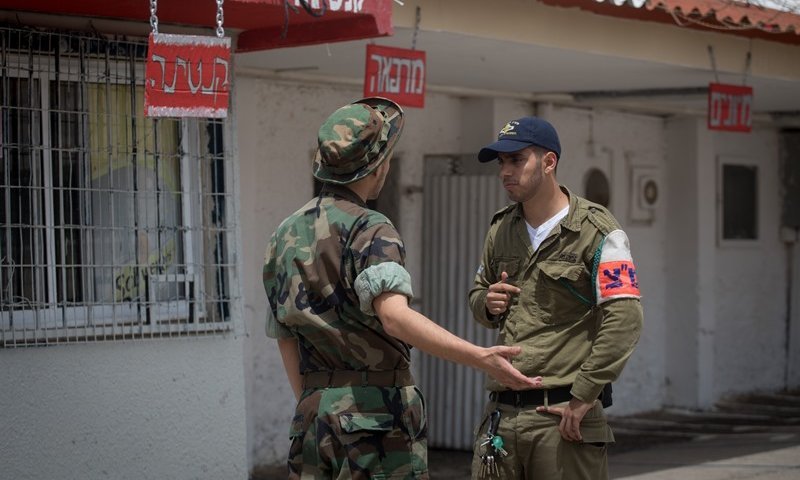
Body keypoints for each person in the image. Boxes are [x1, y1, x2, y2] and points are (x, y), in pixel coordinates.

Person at [263, 97, 542, 480]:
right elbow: (394, 318)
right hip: (374, 419)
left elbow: (285, 336)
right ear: (379, 165)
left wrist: (316, 402)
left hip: (312, 417)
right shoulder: (372, 228)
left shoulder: (284, 233)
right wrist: (480, 356)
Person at [468, 116, 644, 480]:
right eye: (502, 163)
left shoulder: (597, 231)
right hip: (502, 415)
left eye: (517, 160)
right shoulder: (501, 228)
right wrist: (487, 302)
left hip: (562, 416)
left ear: (549, 163)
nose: (505, 172)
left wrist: (584, 395)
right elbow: (477, 294)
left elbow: (624, 319)